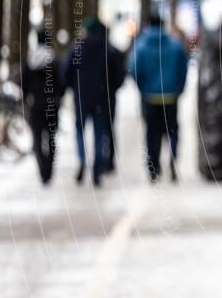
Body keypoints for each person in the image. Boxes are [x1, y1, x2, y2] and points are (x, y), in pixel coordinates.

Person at [61, 17, 126, 186]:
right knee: (100, 134)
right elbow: (120, 75)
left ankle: (82, 158)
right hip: (102, 100)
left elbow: (66, 72)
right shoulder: (109, 50)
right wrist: (110, 90)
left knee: (80, 131)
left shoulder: (77, 49)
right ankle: (97, 168)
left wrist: (72, 87)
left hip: (82, 98)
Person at [129, 13, 189, 182]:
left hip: (149, 98)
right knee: (172, 131)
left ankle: (153, 168)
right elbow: (183, 70)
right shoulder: (176, 46)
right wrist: (178, 89)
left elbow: (133, 70)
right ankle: (173, 159)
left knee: (152, 133)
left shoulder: (141, 46)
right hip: (171, 97)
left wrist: (143, 88)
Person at [22, 28, 63, 185]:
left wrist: (27, 98)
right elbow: (60, 81)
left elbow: (24, 83)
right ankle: (49, 169)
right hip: (52, 104)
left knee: (37, 139)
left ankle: (42, 171)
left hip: (35, 105)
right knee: (51, 137)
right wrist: (58, 96)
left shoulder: (29, 59)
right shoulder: (54, 59)